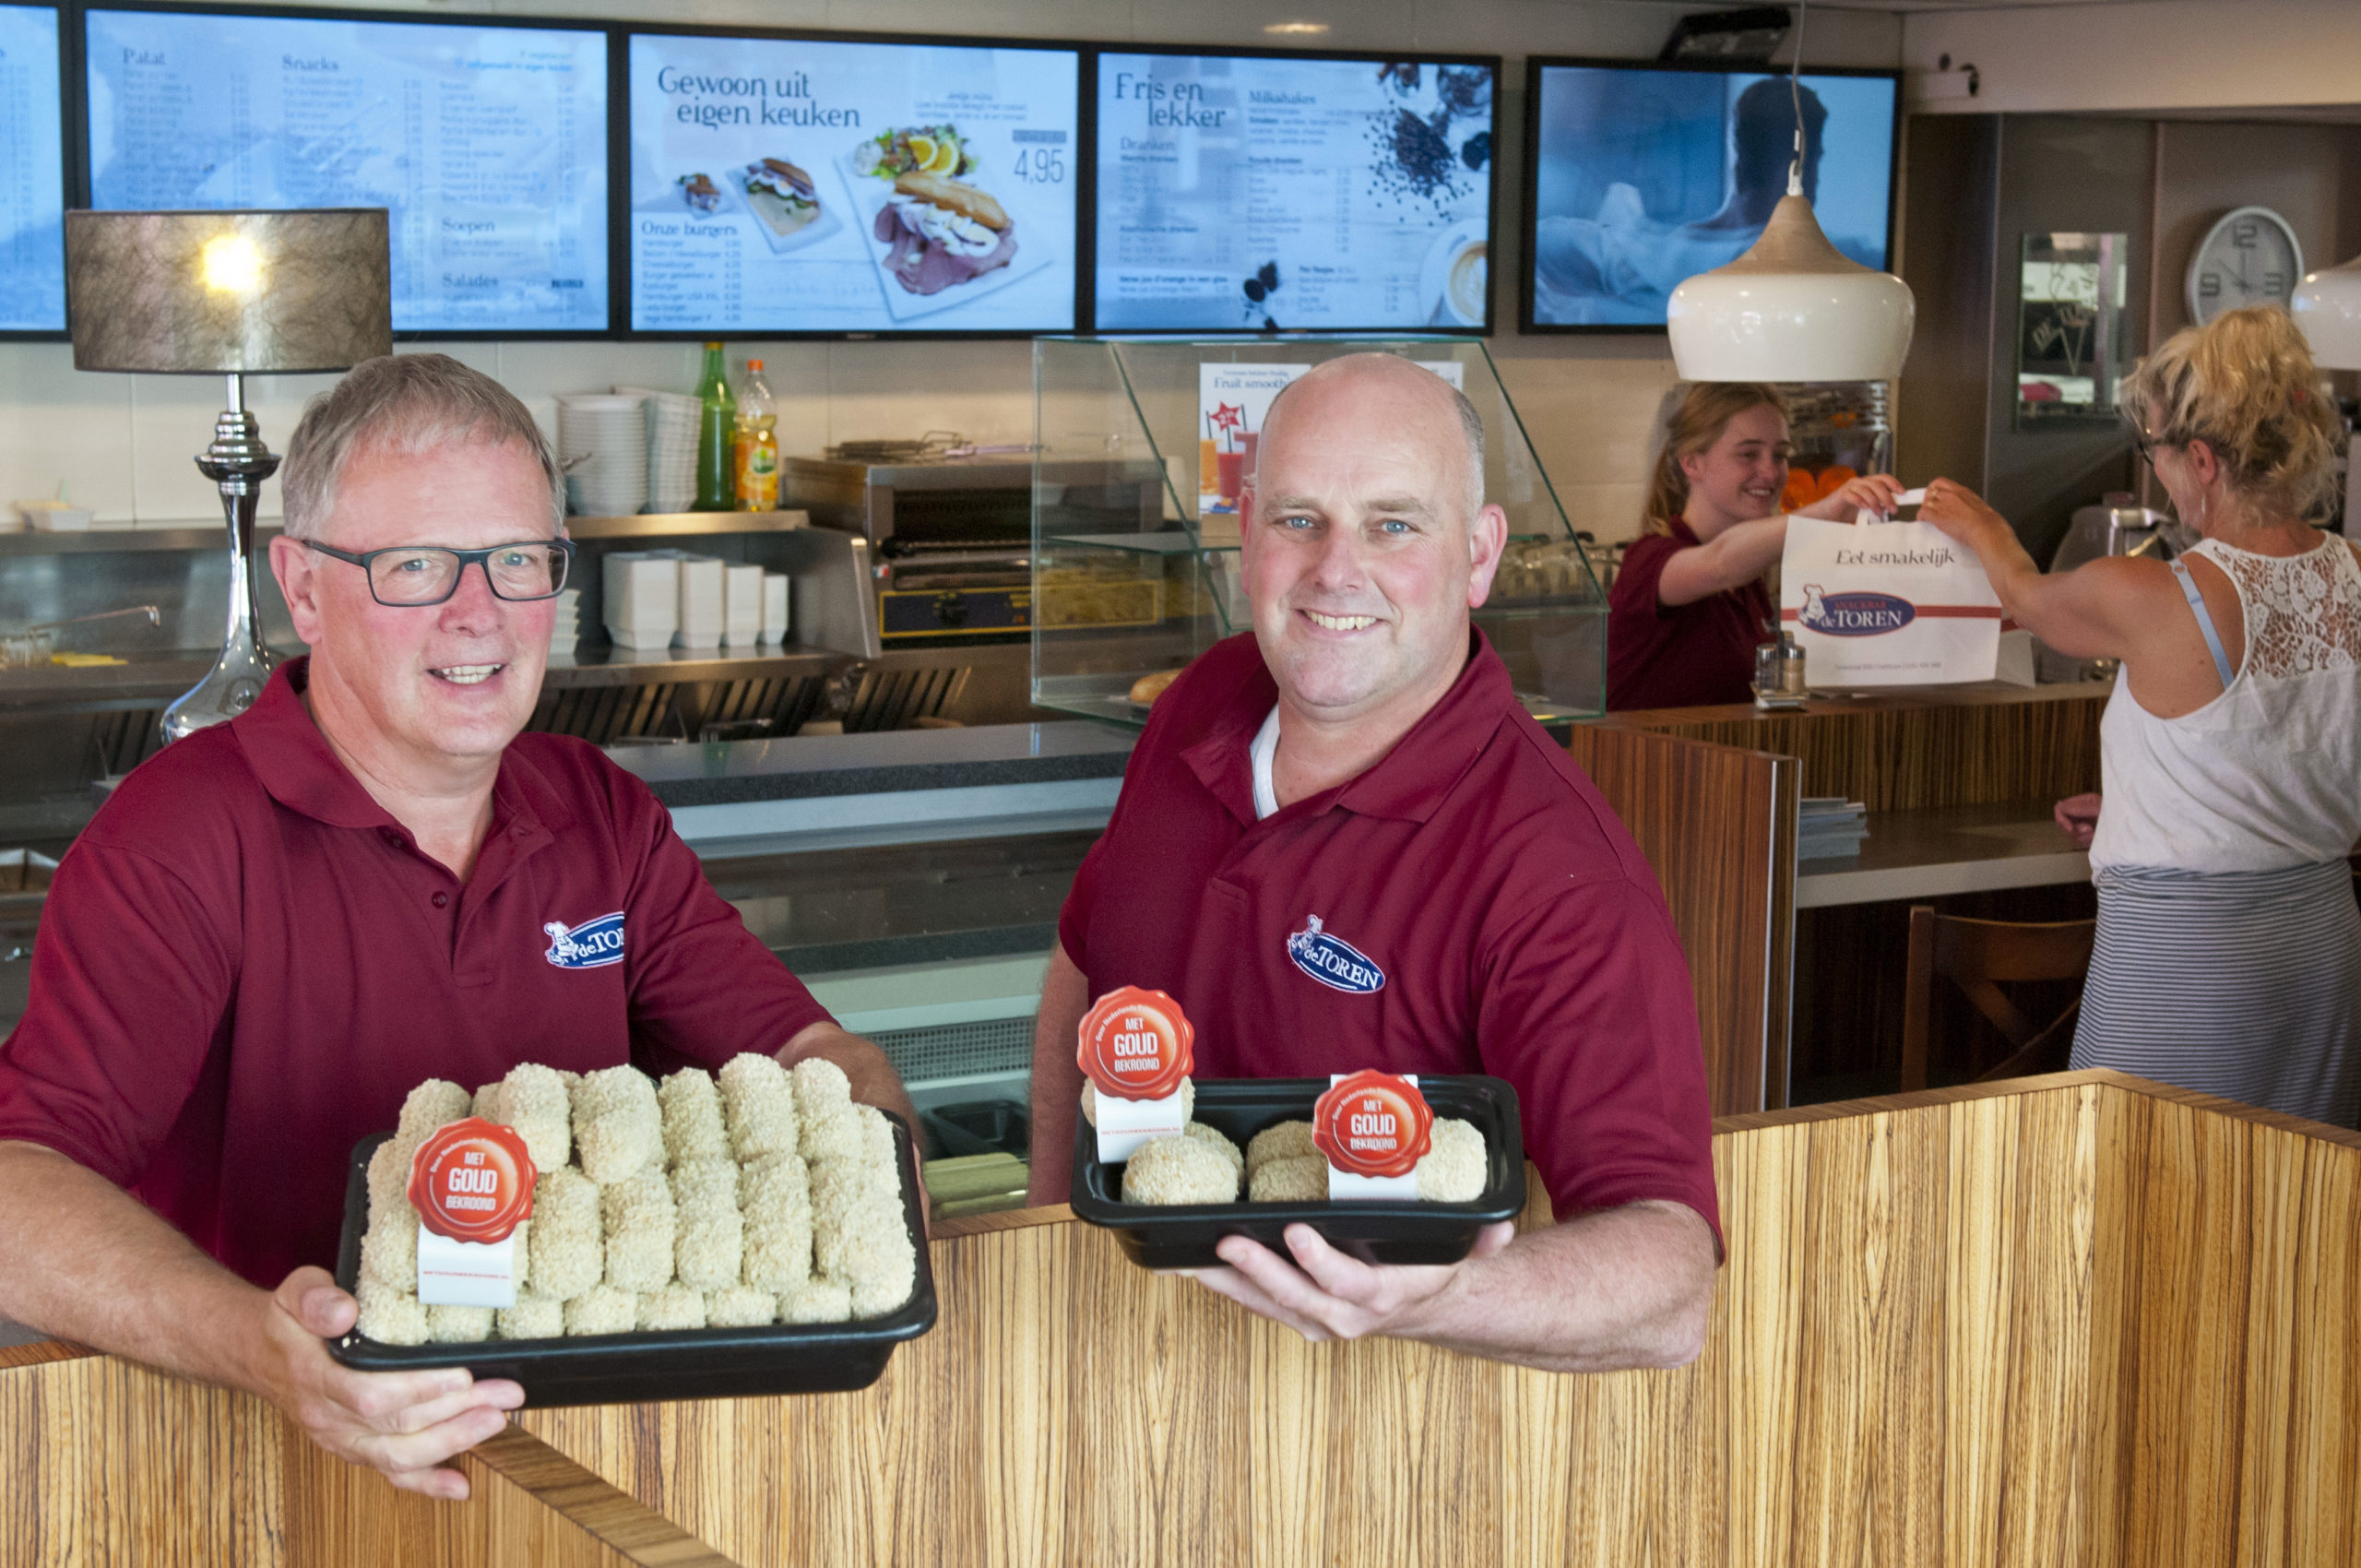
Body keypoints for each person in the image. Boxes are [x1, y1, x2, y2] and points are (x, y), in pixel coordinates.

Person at [0, 354, 915, 1498]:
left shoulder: (598, 811)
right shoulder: (181, 838)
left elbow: (820, 1062)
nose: (477, 614)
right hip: (266, 1467)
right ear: (304, 586)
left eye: (517, 560)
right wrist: (270, 1350)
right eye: (415, 565)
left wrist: (878, 1188)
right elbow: (18, 1187)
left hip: (589, 1460)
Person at [1026, 353, 1721, 1371]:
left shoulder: (1552, 869)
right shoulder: (1209, 692)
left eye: (1393, 523)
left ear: (1479, 555)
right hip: (1098, 1376)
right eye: (1298, 519)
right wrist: (1053, 1226)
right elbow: (1084, 964)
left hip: (1353, 1446)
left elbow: (1669, 1278)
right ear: (1247, 531)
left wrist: (1441, 1296)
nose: (1334, 569)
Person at [1918, 305, 2361, 1126]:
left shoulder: (2159, 592)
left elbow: (2026, 598)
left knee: (2137, 1195)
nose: (2154, 468)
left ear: (2201, 460)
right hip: (2324, 951)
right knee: (2297, 1212)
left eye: (2155, 449)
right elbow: (2293, 744)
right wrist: (2145, 804)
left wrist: (1980, 525)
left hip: (2189, 961)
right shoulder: (2354, 571)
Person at [1608, 383, 1900, 709]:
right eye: (1748, 454)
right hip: (1639, 759)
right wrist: (1823, 512)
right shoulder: (1648, 559)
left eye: (1780, 455)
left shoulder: (1750, 581)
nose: (1771, 472)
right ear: (1691, 463)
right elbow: (1719, 564)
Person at [1533, 80, 1875, 326]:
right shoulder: (1832, 260)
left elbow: (1537, 243)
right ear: (1800, 167)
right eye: (1816, 162)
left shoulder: (1636, 252)